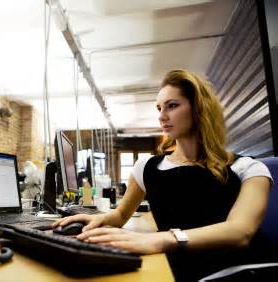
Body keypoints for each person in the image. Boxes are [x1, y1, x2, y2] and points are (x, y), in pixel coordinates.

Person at [52, 69, 274, 281]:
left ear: (199, 109)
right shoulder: (146, 167)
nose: (162, 116)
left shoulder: (247, 168)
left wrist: (163, 239)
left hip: (239, 270)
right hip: (179, 267)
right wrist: (98, 219)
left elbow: (240, 232)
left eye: (172, 106)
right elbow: (121, 215)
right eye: (159, 108)